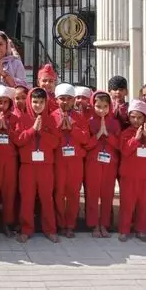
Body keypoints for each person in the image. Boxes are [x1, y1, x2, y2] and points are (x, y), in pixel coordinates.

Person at [13, 87, 59, 243]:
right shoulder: (23, 119)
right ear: (29, 102)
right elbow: (18, 140)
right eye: (34, 102)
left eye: (41, 102)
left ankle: (50, 229)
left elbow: (55, 143)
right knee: (27, 198)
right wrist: (33, 130)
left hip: (45, 166)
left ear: (46, 103)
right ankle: (26, 229)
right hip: (28, 166)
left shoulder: (51, 119)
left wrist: (42, 132)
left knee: (47, 198)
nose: (37, 105)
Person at [118, 99, 146, 242]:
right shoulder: (125, 133)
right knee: (127, 203)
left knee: (142, 203)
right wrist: (136, 139)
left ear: (145, 118)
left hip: (144, 176)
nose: (135, 120)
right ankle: (124, 230)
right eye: (132, 117)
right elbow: (124, 151)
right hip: (128, 175)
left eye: (139, 117)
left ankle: (141, 229)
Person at [52, 84, 88, 239]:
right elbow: (50, 141)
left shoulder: (80, 117)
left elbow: (86, 138)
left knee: (74, 193)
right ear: (56, 100)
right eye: (62, 99)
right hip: (58, 160)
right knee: (59, 193)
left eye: (68, 99)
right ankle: (60, 223)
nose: (65, 102)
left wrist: (72, 129)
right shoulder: (52, 116)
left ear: (74, 100)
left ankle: (70, 225)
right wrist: (60, 128)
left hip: (75, 160)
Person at [84, 90, 121, 238]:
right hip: (93, 163)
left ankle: (104, 224)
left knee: (107, 194)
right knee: (93, 194)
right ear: (93, 105)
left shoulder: (114, 123)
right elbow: (85, 144)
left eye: (105, 106)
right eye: (98, 106)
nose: (102, 110)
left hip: (110, 163)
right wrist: (98, 135)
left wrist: (108, 135)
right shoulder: (88, 122)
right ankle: (93, 225)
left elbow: (119, 145)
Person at [0, 85, 19, 237]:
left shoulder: (14, 118)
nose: (2, 105)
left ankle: (6, 222)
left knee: (9, 192)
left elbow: (19, 139)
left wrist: (7, 128)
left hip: (10, 160)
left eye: (5, 102)